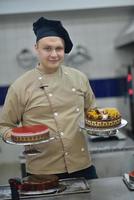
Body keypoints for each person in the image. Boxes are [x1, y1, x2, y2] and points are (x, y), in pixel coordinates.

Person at [0, 17, 98, 179]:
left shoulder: (79, 78)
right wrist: (18, 137)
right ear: (36, 48)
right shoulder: (20, 86)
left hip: (83, 166)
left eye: (59, 49)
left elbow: (93, 114)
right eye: (47, 49)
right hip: (43, 171)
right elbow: (4, 126)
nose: (54, 54)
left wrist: (101, 127)